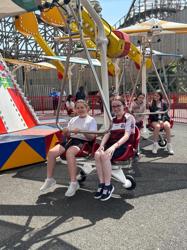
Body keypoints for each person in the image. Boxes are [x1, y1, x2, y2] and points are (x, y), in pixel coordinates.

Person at [40, 99, 97, 197]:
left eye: (82, 107)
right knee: (51, 153)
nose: (80, 110)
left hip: (83, 143)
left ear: (87, 108)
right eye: (78, 108)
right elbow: (68, 135)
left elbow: (92, 137)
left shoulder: (91, 120)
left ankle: (73, 182)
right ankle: (49, 179)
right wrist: (66, 132)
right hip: (71, 141)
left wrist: (81, 131)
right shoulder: (73, 120)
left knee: (69, 153)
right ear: (75, 109)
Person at [94, 96, 135, 201]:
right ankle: (102, 183)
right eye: (113, 106)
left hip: (124, 145)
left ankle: (108, 186)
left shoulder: (129, 118)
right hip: (112, 144)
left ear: (124, 106)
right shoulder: (112, 120)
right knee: (97, 154)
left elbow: (126, 136)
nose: (116, 108)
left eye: (118, 105)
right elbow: (108, 134)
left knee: (105, 155)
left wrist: (113, 147)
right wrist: (101, 145)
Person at [149, 90, 174, 155]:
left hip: (163, 119)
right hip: (154, 120)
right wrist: (158, 120)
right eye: (155, 95)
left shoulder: (164, 103)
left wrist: (162, 121)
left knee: (167, 126)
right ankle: (155, 145)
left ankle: (169, 145)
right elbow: (152, 114)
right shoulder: (152, 104)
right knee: (157, 126)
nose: (156, 97)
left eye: (157, 95)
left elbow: (165, 114)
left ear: (160, 96)